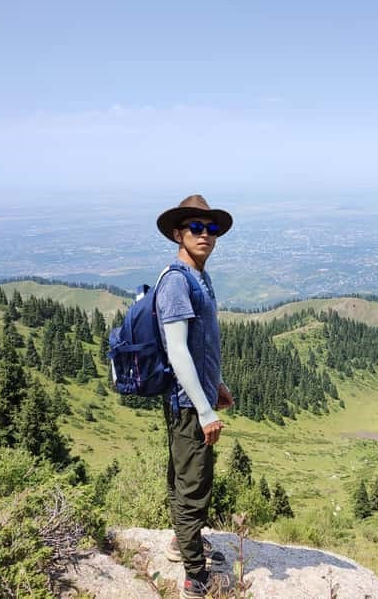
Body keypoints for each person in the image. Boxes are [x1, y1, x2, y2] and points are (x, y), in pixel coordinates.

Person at [154, 194, 236, 599]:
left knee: (183, 477)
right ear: (178, 234)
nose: (205, 235)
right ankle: (195, 578)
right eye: (196, 228)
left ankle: (181, 542)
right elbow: (177, 350)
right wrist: (204, 410)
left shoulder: (199, 276)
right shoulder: (176, 281)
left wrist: (215, 383)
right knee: (193, 486)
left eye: (211, 228)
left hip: (196, 397)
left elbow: (201, 345)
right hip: (188, 406)